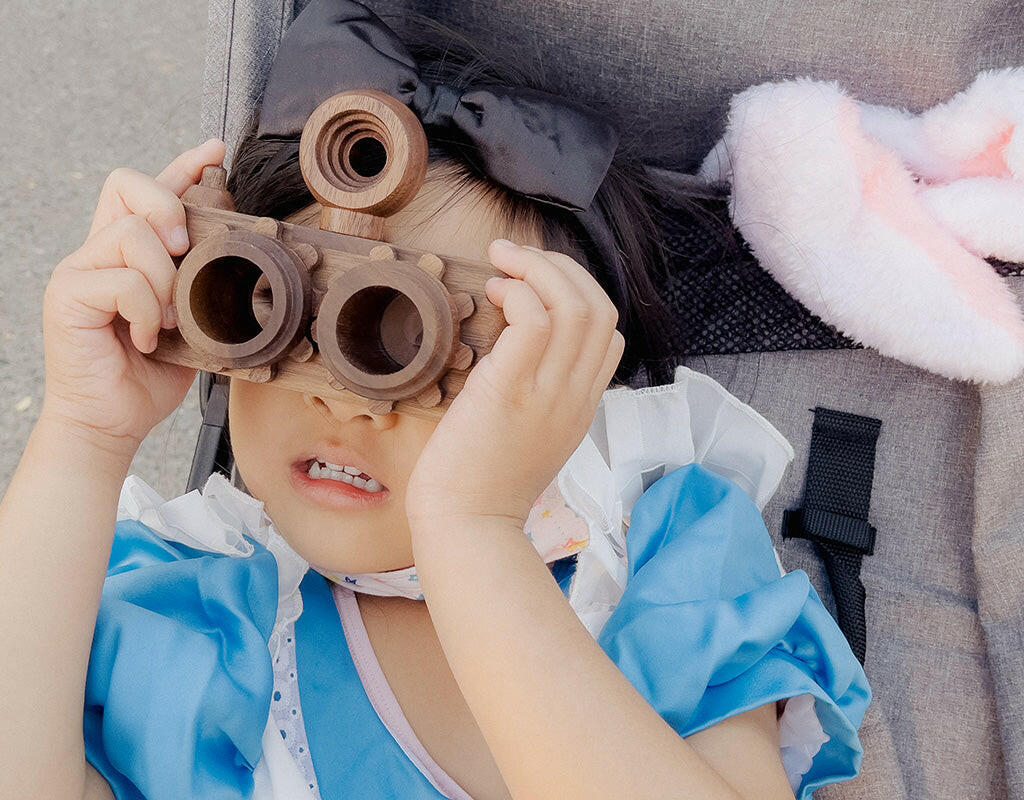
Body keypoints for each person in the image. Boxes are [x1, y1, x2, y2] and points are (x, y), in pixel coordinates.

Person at [0, 2, 869, 799]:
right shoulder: (206, 615)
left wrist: (474, 530)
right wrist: (84, 436)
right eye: (286, 318)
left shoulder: (659, 553)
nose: (355, 407)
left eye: (422, 357)